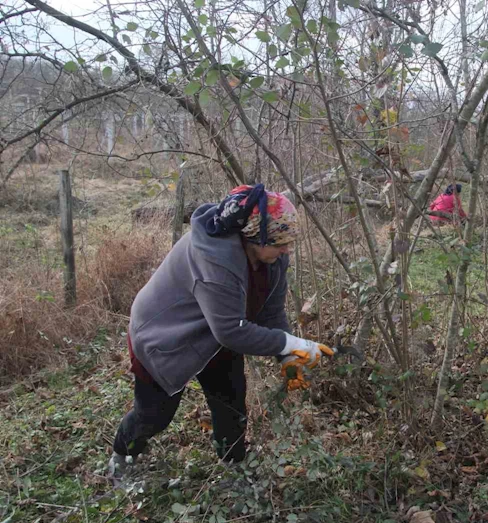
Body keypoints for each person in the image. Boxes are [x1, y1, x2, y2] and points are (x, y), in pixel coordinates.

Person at [109, 184, 332, 480]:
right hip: (164, 336)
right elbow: (230, 331)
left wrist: (289, 355)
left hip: (217, 333)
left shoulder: (273, 257)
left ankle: (234, 470)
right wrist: (291, 343)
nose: (287, 249)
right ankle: (120, 461)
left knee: (231, 405)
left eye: (289, 242)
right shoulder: (215, 260)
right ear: (256, 236)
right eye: (280, 242)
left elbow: (271, 311)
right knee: (154, 415)